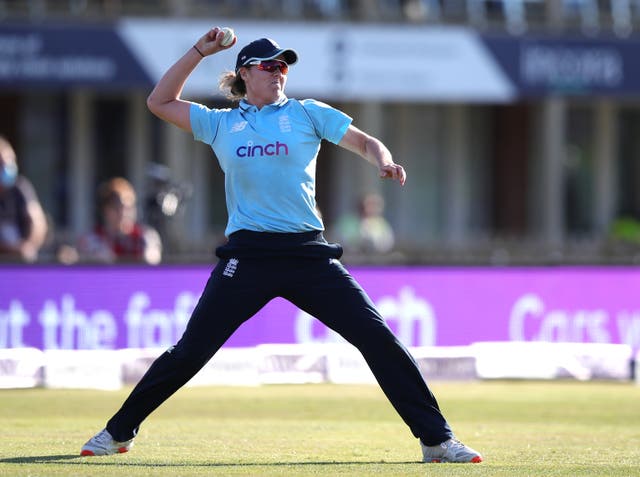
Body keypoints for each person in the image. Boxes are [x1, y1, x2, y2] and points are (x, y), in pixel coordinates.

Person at [80, 28, 482, 464]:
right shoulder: (221, 123)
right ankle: (118, 433)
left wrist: (384, 161)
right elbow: (158, 102)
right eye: (268, 66)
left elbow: (365, 141)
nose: (279, 73)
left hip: (308, 254)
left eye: (283, 66)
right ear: (244, 75)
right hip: (247, 257)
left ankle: (437, 441)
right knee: (189, 353)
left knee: (378, 338)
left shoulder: (308, 113)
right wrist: (200, 51)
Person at [76, 177, 162, 265]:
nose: (123, 212)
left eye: (128, 207)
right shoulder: (90, 240)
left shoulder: (146, 237)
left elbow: (152, 265)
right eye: (116, 207)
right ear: (105, 209)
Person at [0, 136, 48, 262]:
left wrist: (28, 245)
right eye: (2, 164)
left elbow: (37, 222)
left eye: (10, 161)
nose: (7, 167)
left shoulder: (20, 187)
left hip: (19, 264)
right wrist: (9, 249)